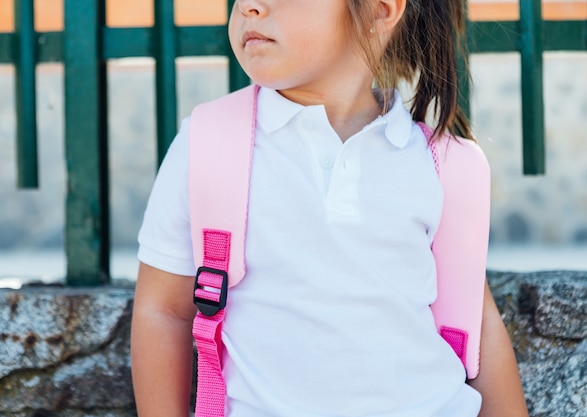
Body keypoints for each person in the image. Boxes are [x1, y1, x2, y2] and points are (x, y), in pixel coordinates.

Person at [131, 0, 529, 416]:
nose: (248, 6)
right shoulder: (208, 144)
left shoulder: (440, 166)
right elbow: (164, 311)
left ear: (379, 10)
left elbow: (478, 326)